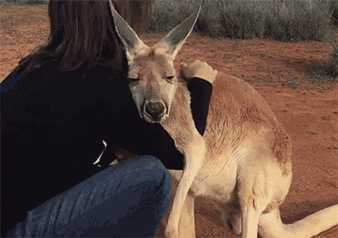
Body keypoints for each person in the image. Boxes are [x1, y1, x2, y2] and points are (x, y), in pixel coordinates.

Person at [0, 0, 217, 237]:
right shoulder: (99, 79)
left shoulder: (30, 66)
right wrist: (202, 84)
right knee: (151, 175)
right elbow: (174, 154)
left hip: (16, 207)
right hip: (20, 228)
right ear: (117, 22)